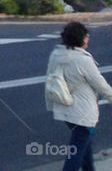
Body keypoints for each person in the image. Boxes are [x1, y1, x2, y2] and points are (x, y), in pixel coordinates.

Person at [46, 22, 112, 170]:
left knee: (84, 146)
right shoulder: (83, 60)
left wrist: (51, 106)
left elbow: (50, 83)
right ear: (80, 38)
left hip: (65, 110)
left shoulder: (56, 55)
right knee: (76, 152)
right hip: (83, 113)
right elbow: (102, 86)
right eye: (86, 36)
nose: (88, 39)